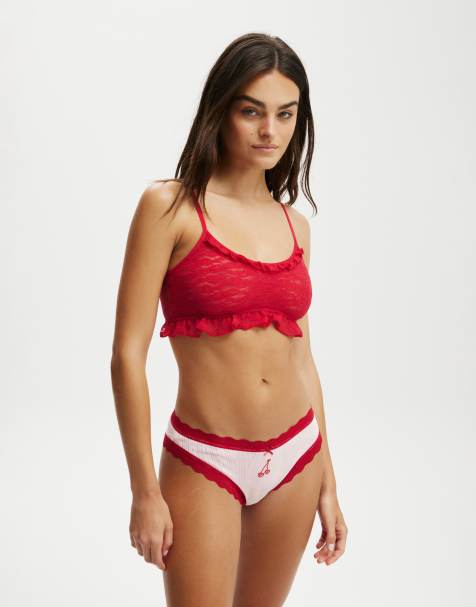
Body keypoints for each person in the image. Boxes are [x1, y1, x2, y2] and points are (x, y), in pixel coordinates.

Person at [111, 32, 348, 606]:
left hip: (297, 456)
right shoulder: (170, 207)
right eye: (252, 111)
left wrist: (328, 480)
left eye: (286, 114)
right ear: (221, 111)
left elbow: (301, 358)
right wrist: (144, 490)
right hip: (205, 458)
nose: (270, 131)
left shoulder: (295, 225)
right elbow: (126, 357)